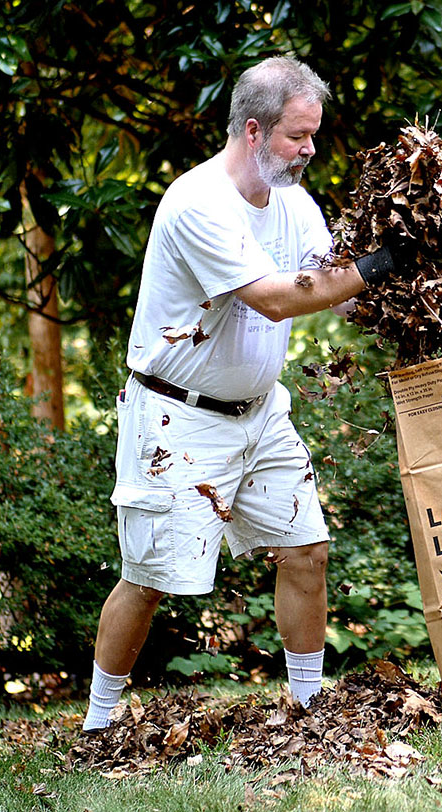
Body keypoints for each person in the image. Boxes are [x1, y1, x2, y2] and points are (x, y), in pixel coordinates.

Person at [82, 55, 412, 731]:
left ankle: (310, 708)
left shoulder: (293, 201)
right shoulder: (198, 203)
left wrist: (411, 284)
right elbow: (272, 300)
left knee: (307, 550)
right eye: (298, 135)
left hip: (261, 412)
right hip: (177, 421)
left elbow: (337, 291)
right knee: (148, 581)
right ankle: (96, 724)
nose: (310, 149)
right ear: (254, 131)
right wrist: (377, 266)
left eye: (313, 134)